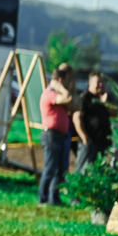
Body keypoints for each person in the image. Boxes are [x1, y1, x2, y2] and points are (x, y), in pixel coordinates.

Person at [39, 63, 78, 206]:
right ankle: (43, 199)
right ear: (60, 81)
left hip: (60, 135)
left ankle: (54, 198)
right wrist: (59, 86)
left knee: (60, 170)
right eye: (66, 81)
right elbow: (67, 97)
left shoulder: (57, 95)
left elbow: (73, 104)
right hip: (51, 135)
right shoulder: (50, 94)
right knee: (50, 168)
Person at [73, 70, 116, 173]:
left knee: (101, 171)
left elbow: (115, 114)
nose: (101, 85)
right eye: (98, 82)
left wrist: (105, 103)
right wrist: (84, 137)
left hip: (104, 143)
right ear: (90, 83)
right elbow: (76, 118)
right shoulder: (85, 98)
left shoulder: (103, 98)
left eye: (103, 82)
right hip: (89, 142)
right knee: (83, 170)